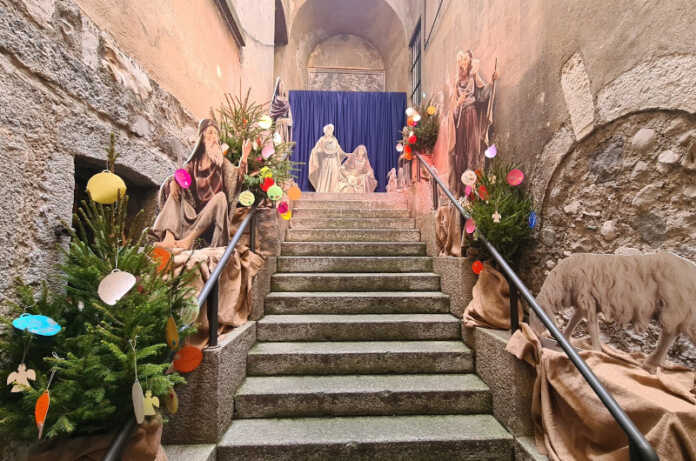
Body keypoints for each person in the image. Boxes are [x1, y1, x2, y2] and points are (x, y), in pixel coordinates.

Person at [152, 119, 251, 249]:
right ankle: (169, 238)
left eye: (216, 134)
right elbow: (181, 178)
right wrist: (174, 182)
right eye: (210, 133)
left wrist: (244, 159)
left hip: (210, 222)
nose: (214, 137)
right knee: (174, 192)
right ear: (202, 139)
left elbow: (237, 177)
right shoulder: (193, 164)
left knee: (221, 197)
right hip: (192, 215)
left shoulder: (222, 164)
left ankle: (188, 241)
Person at [450, 50, 498, 197]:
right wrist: (458, 103)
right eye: (461, 62)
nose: (463, 64)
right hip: (461, 120)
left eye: (465, 61)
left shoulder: (473, 76)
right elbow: (453, 110)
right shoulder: (456, 82)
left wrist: (491, 82)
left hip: (471, 115)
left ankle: (473, 192)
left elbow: (482, 96)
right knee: (460, 153)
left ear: (468, 62)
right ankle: (462, 193)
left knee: (473, 150)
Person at [308, 123, 347, 192]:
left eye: (331, 130)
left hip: (334, 161)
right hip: (326, 161)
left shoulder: (334, 139)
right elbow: (315, 150)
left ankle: (333, 191)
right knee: (325, 175)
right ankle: (323, 190)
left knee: (334, 175)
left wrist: (346, 154)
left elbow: (339, 150)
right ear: (325, 131)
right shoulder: (322, 139)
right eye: (328, 130)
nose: (330, 131)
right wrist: (321, 150)